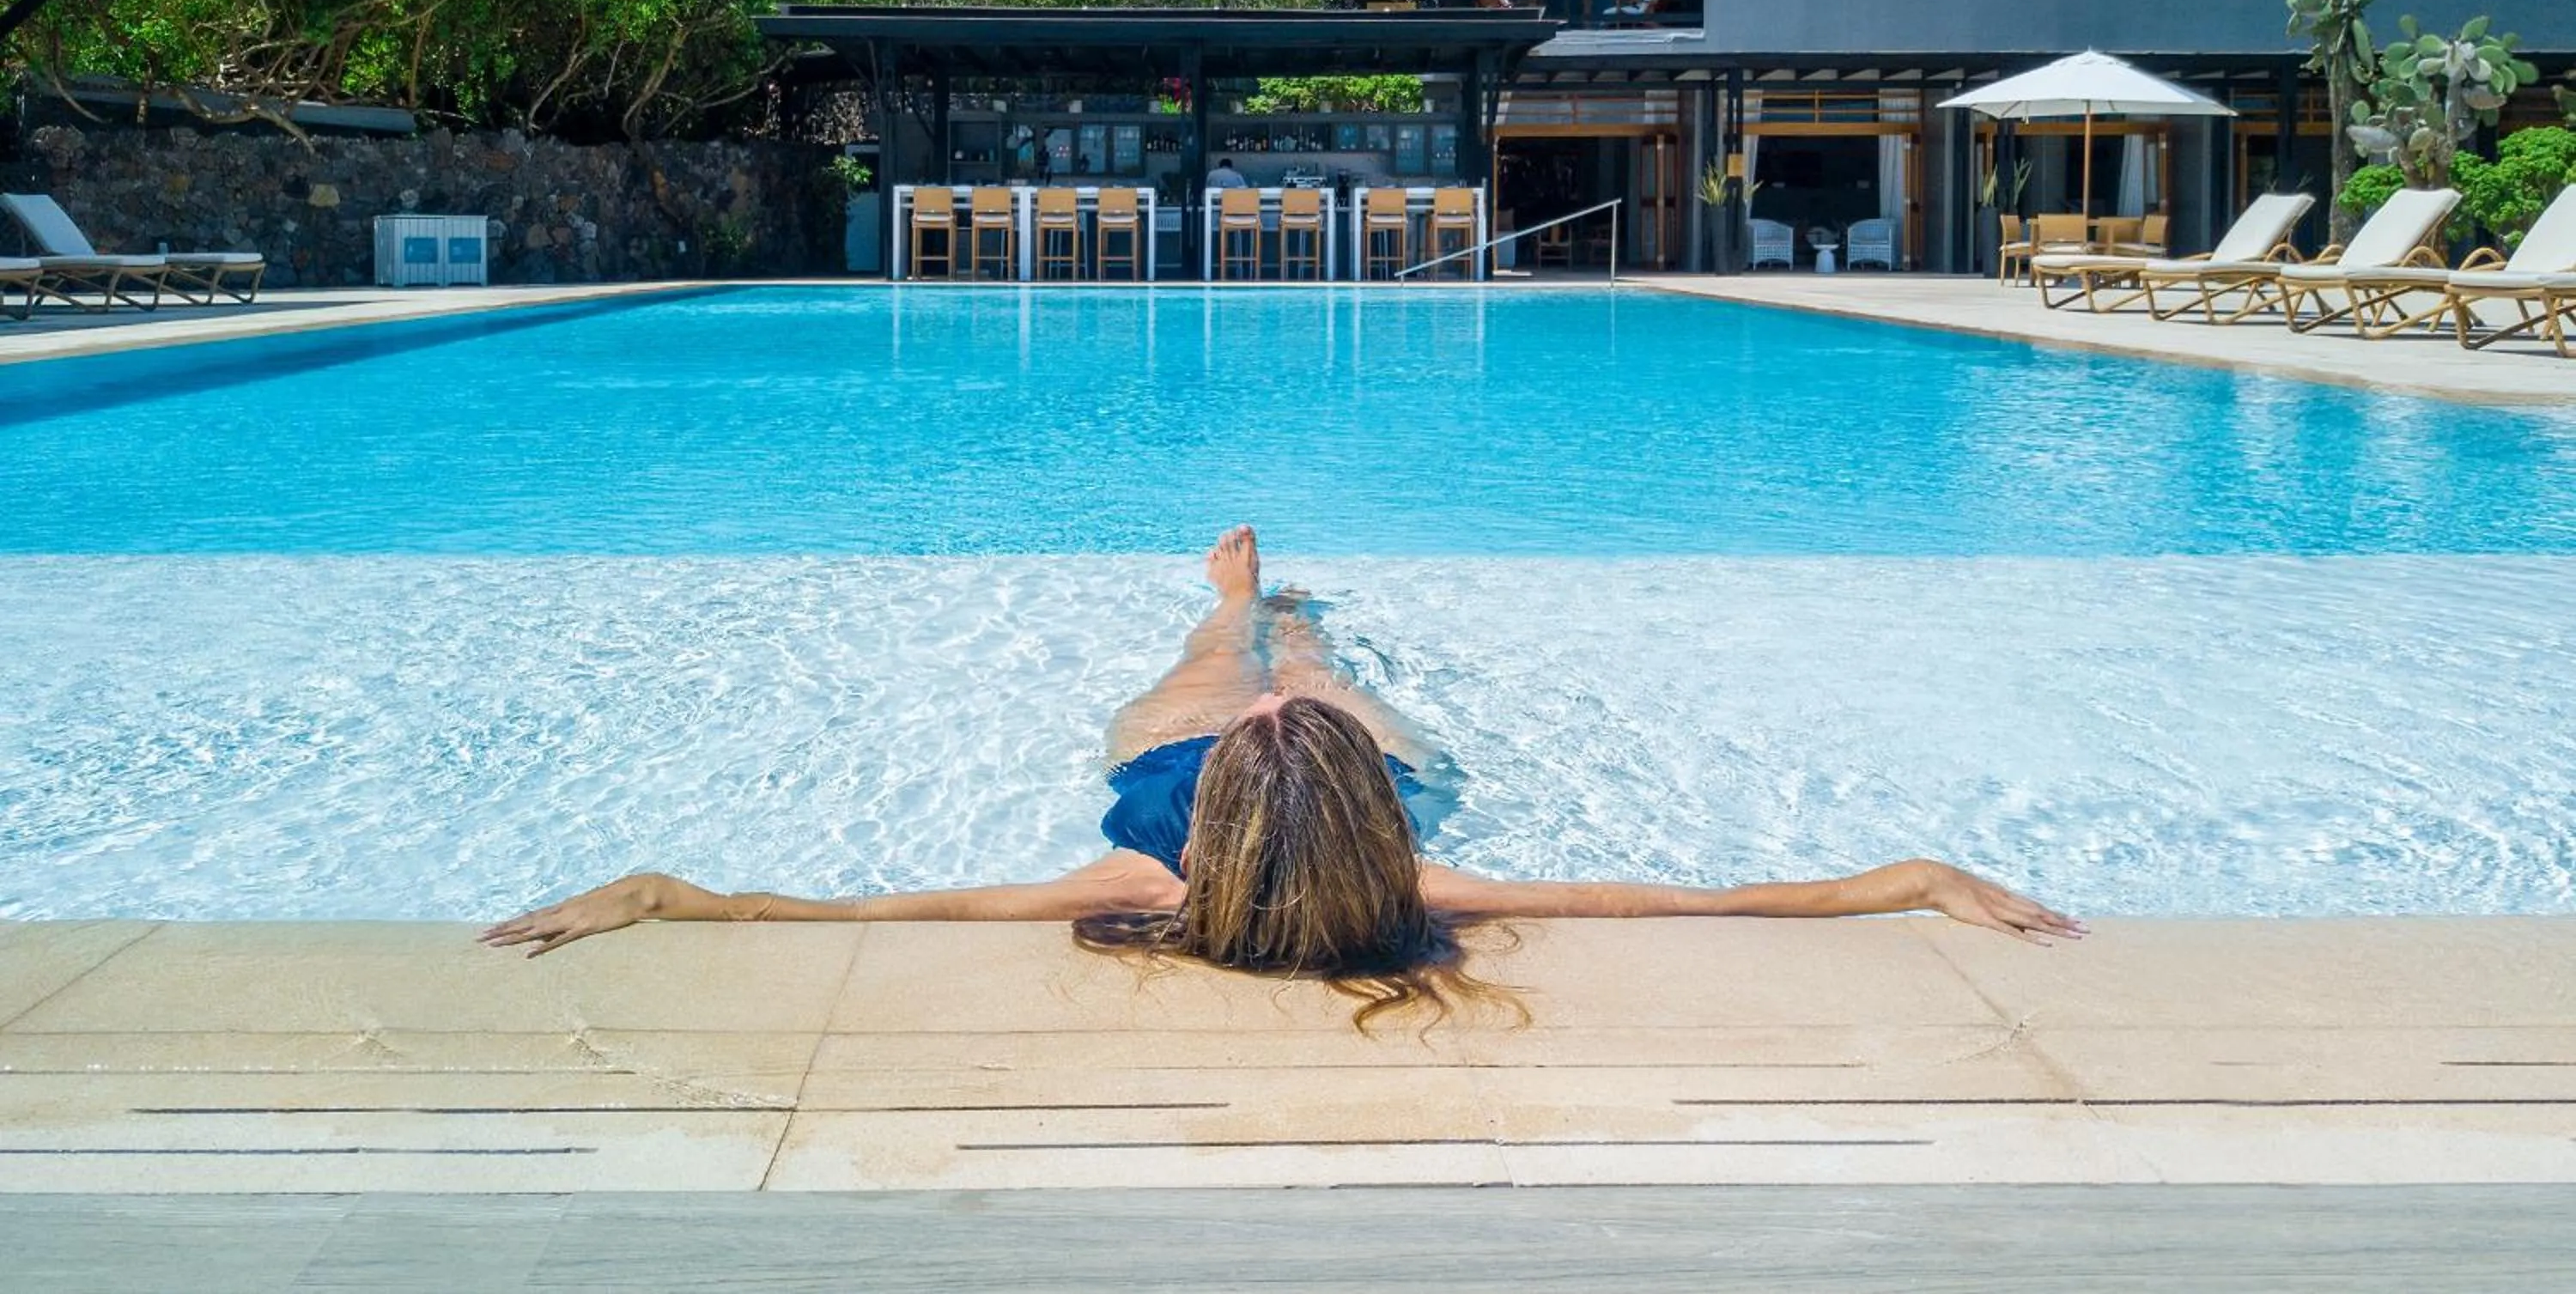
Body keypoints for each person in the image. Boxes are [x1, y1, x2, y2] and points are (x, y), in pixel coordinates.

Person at [484, 527, 2082, 1025]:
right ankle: (1276, 605)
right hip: (1317, 760)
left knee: (1227, 666)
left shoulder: (1148, 876)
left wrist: (665, 898)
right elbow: (1715, 900)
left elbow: (868, 907)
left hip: (1172, 758)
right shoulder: (1419, 880)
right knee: (1317, 675)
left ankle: (1244, 593)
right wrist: (1916, 876)